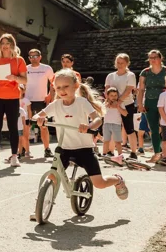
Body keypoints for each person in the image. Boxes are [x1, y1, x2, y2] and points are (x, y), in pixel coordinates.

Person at [31, 69, 129, 221]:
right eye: (58, 88)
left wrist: (89, 127)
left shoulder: (82, 103)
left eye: (66, 87)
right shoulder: (56, 104)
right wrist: (38, 118)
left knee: (100, 183)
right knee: (52, 177)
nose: (62, 91)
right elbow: (39, 114)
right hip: (63, 148)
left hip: (84, 149)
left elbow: (97, 119)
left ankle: (117, 179)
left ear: (76, 86)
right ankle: (41, 206)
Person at [0, 33, 27, 167]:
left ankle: (14, 156)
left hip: (12, 97)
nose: (5, 46)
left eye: (7, 43)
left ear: (12, 45)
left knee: (13, 127)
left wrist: (14, 78)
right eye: (2, 43)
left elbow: (25, 80)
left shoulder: (18, 60)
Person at [137, 49, 166, 163]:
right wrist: (140, 104)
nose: (153, 60)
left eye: (155, 57)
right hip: (151, 102)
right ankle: (157, 153)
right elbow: (141, 89)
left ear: (160, 58)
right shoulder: (145, 72)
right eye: (150, 57)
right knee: (153, 129)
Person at [105, 54, 139, 160]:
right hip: (111, 105)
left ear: (127, 64)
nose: (119, 65)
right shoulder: (110, 76)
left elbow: (129, 90)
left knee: (129, 128)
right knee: (112, 127)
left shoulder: (130, 75)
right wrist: (111, 101)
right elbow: (107, 89)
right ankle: (111, 151)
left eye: (122, 63)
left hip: (127, 104)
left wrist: (118, 102)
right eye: (118, 63)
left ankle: (133, 152)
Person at [25, 48, 55, 158]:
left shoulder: (47, 68)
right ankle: (25, 149)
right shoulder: (25, 68)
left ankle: (47, 149)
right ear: (29, 58)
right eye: (31, 56)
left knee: (43, 126)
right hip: (27, 101)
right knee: (26, 126)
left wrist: (50, 96)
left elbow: (53, 83)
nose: (33, 58)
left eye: (36, 56)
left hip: (42, 101)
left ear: (40, 57)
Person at [102, 87, 127, 157]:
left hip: (116, 124)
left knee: (118, 141)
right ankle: (104, 154)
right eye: (111, 95)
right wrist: (107, 105)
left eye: (115, 95)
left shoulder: (120, 103)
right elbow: (102, 112)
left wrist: (118, 107)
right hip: (106, 124)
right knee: (106, 140)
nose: (114, 97)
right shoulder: (105, 103)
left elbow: (125, 113)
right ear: (108, 96)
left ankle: (120, 155)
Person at [18, 84, 32, 159]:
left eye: (20, 90)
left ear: (23, 91)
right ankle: (19, 151)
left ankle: (27, 151)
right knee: (18, 137)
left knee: (25, 136)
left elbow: (29, 110)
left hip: (25, 120)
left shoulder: (26, 100)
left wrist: (30, 120)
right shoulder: (14, 100)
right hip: (17, 121)